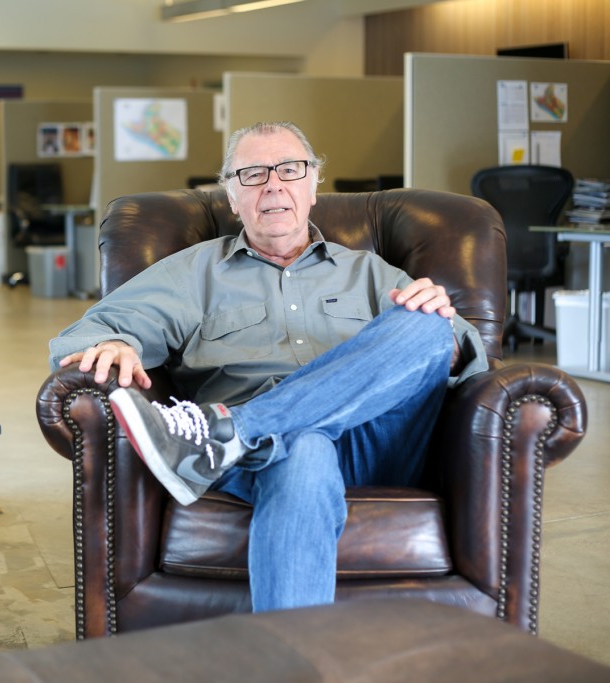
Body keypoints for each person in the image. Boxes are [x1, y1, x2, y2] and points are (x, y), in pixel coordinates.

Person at [49, 121, 488, 613]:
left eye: (290, 169)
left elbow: (466, 361)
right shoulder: (193, 273)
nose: (274, 184)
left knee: (430, 322)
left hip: (375, 443)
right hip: (262, 460)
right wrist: (115, 345)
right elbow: (85, 335)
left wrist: (441, 335)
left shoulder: (370, 272)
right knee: (303, 448)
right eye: (253, 173)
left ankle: (227, 432)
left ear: (314, 183)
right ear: (232, 196)